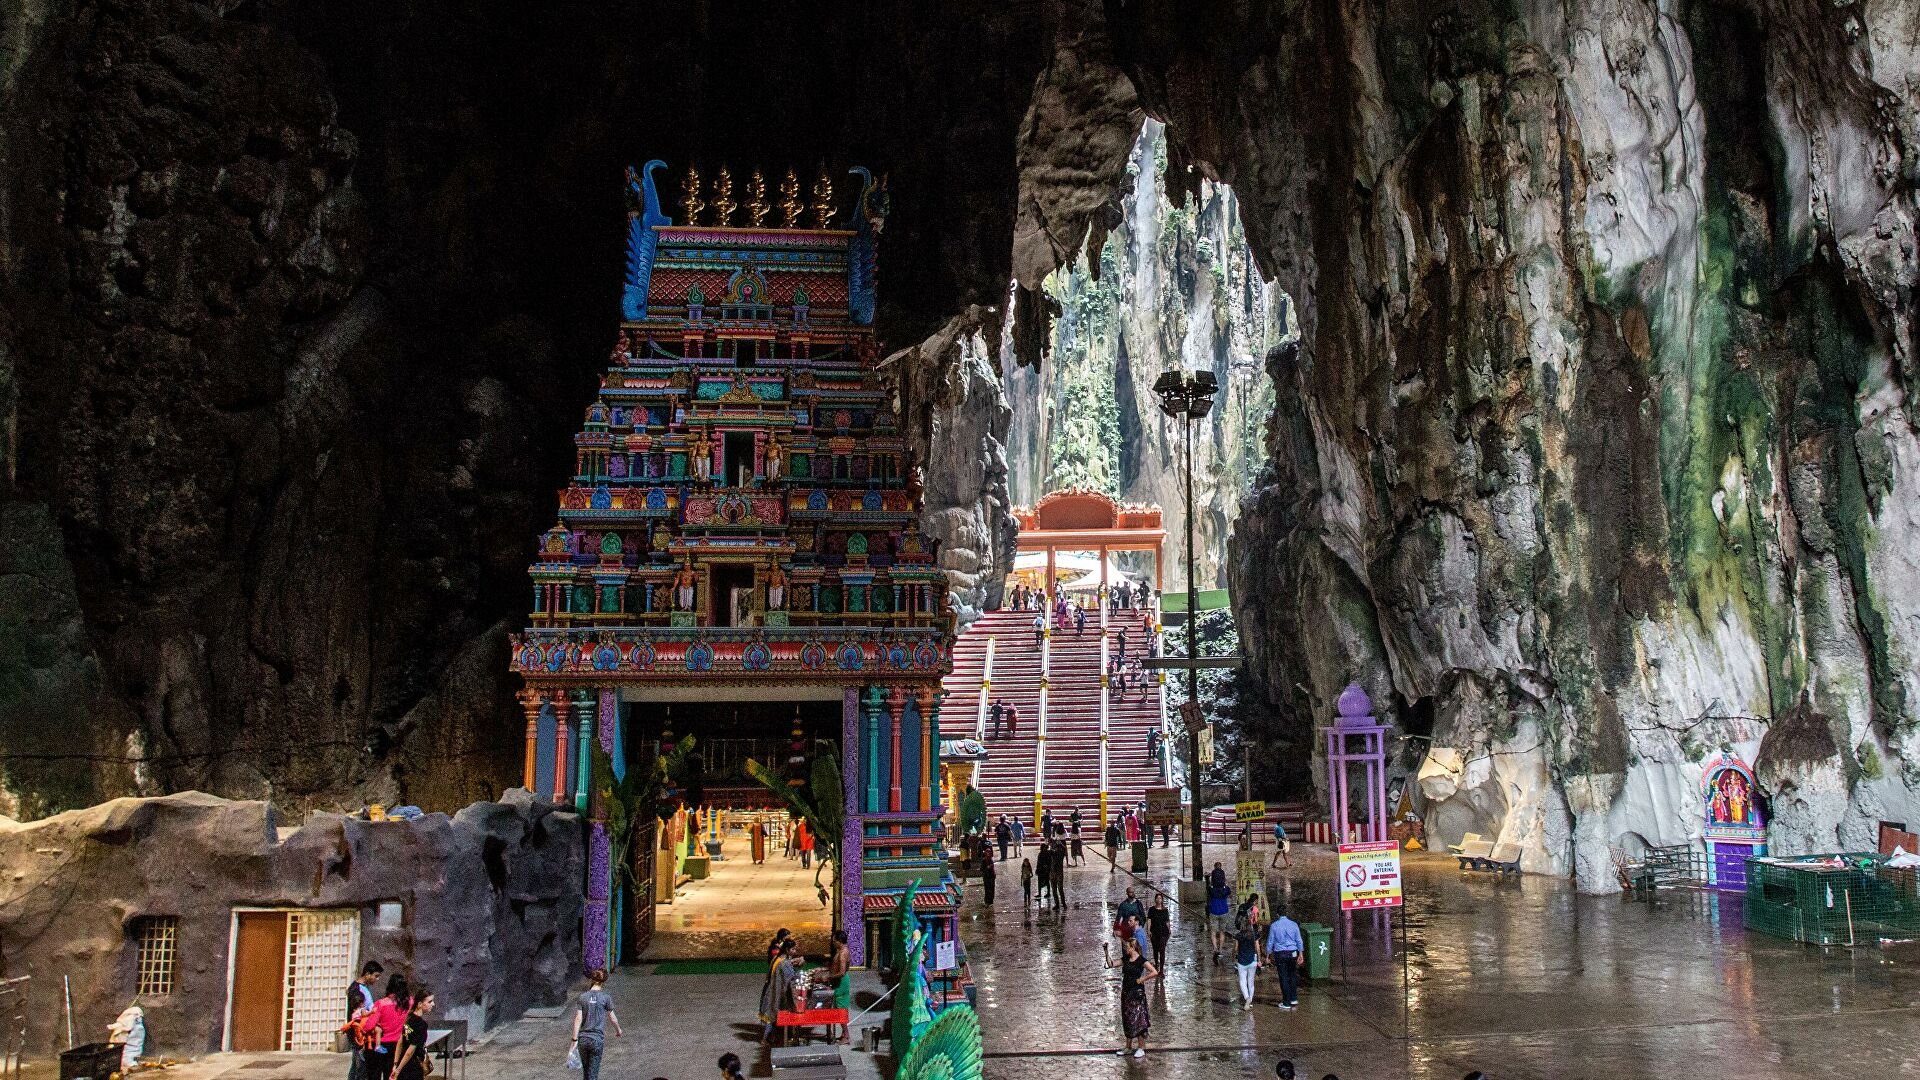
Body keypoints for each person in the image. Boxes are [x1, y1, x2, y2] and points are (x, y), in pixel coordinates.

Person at [1102, 935, 1157, 1058]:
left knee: (1139, 1019)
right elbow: (1111, 964)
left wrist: (1143, 978)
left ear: (1133, 947)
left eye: (1127, 947)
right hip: (1126, 992)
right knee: (1127, 1018)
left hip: (1137, 993)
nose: (1126, 949)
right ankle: (1128, 1046)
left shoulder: (1141, 960)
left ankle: (1141, 1046)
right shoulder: (1126, 959)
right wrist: (1106, 951)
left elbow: (1154, 972)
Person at [365, 974, 411, 1080]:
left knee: (374, 1075)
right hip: (398, 1046)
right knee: (391, 1075)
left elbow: (368, 1027)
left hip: (379, 1045)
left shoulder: (381, 1004)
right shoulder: (409, 1003)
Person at [346, 960, 384, 1080]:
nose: (377, 979)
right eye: (376, 976)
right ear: (367, 974)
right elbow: (356, 1014)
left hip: (361, 1032)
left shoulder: (361, 987)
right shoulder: (357, 989)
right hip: (359, 1034)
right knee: (360, 1067)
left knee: (356, 1066)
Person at [759, 939, 800, 1044]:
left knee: (771, 1014)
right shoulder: (784, 963)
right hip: (776, 992)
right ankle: (765, 1039)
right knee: (772, 1015)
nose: (795, 951)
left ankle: (772, 1037)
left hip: (771, 989)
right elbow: (790, 978)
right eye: (793, 949)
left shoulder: (777, 958)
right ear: (787, 949)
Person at [392, 987, 437, 1080]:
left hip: (402, 1062)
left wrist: (396, 1064)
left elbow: (400, 1042)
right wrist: (398, 1070)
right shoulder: (421, 1024)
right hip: (413, 1067)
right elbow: (411, 1050)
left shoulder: (409, 1017)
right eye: (429, 1002)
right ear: (420, 1004)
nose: (433, 1004)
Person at [1265, 906, 1304, 1010]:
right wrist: (1301, 953)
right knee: (1292, 975)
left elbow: (1270, 941)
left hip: (1280, 954)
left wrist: (1268, 955)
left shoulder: (1274, 926)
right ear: (1286, 913)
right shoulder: (1294, 924)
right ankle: (1293, 998)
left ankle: (1286, 1002)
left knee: (1283, 977)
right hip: (1293, 953)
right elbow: (1299, 940)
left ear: (1277, 914)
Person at [1232, 901, 1263, 1009]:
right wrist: (1259, 959)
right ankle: (1250, 1001)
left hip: (1241, 960)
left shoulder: (1239, 935)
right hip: (1253, 960)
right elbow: (1257, 948)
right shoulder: (1254, 935)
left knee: (1242, 981)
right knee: (1251, 982)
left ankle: (1247, 998)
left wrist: (1233, 958)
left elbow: (1235, 949)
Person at [826, 930, 852, 1042]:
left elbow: (841, 972)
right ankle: (842, 1034)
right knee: (838, 1007)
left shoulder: (842, 954)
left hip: (841, 983)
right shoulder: (843, 950)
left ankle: (846, 1036)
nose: (833, 943)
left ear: (839, 941)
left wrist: (828, 977)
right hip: (841, 982)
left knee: (841, 1009)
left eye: (834, 941)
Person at [1206, 864, 1233, 960]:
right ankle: (1220, 949)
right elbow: (1229, 892)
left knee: (1213, 932)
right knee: (1222, 932)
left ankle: (1215, 948)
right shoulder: (1225, 889)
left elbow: (1208, 892)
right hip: (1224, 911)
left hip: (1213, 911)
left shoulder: (1211, 889)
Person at [1147, 893, 1171, 972]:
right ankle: (1156, 963)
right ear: (1155, 899)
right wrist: (1148, 929)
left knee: (1162, 950)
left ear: (1162, 900)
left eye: (1160, 898)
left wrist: (1169, 929)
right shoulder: (1151, 910)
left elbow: (1167, 921)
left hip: (1163, 932)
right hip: (1154, 931)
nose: (1158, 900)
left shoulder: (1165, 910)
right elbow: (1149, 920)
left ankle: (1161, 968)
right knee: (1155, 949)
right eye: (1157, 898)